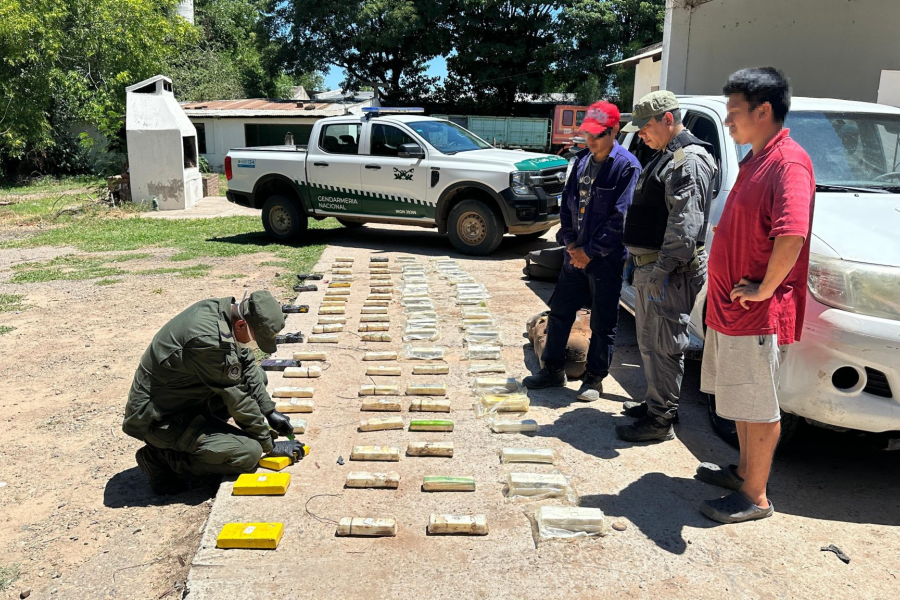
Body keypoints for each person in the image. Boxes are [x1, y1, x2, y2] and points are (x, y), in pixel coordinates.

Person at [696, 67, 815, 523]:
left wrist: (765, 288)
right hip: (731, 309)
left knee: (758, 403)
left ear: (763, 111)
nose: (728, 123)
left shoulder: (789, 163)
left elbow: (792, 234)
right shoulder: (755, 158)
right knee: (739, 400)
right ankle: (743, 472)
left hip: (755, 314)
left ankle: (755, 496)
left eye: (734, 113)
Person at [123, 291, 304, 494]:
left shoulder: (228, 316)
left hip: (185, 399)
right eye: (256, 339)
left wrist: (269, 411)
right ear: (242, 325)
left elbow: (247, 366)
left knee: (258, 377)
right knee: (248, 453)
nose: (255, 345)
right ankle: (161, 459)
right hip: (160, 418)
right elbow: (238, 398)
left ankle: (207, 433)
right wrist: (268, 445)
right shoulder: (208, 341)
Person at [615, 91, 717, 443]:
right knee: (650, 342)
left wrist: (659, 271)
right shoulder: (667, 156)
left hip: (669, 272)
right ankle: (657, 403)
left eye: (645, 127)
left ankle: (661, 420)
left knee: (664, 344)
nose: (640, 134)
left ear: (668, 120)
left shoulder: (689, 160)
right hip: (653, 268)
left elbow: (684, 228)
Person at [523, 101, 641, 400]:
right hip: (574, 255)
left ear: (614, 131)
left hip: (605, 259)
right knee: (560, 311)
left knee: (603, 321)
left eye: (597, 135)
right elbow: (567, 205)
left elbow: (621, 218)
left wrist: (590, 251)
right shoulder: (582, 161)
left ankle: (594, 379)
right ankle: (553, 371)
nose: (590, 140)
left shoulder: (626, 167)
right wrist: (571, 243)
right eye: (587, 134)